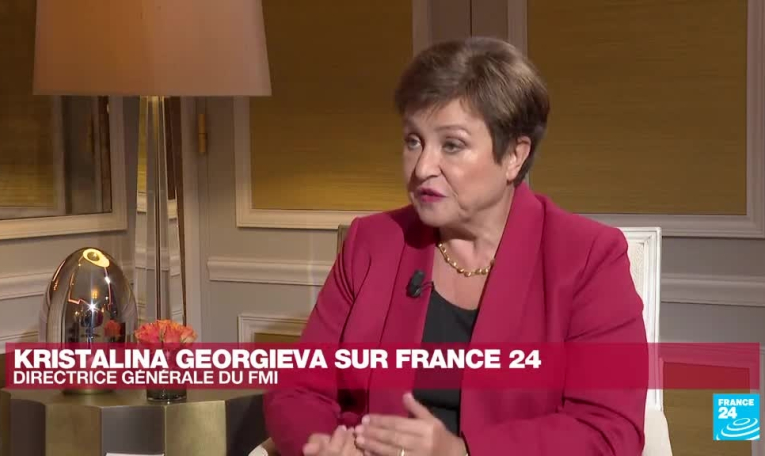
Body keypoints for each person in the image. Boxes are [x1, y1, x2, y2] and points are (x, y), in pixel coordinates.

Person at [263, 36, 647, 456]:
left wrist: (461, 452)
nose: (423, 168)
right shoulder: (371, 243)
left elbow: (608, 430)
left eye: (452, 145)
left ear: (514, 156)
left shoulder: (588, 258)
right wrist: (323, 447)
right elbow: (298, 389)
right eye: (413, 141)